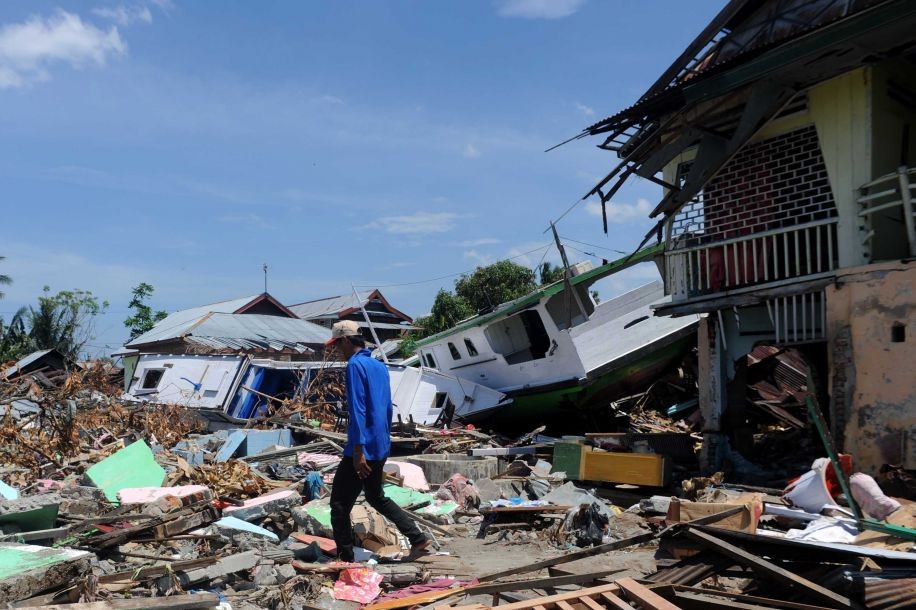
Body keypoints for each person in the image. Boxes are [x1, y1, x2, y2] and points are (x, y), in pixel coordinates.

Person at [326, 320, 431, 562]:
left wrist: (358, 449)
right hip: (380, 445)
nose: (336, 351)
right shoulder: (378, 365)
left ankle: (345, 559)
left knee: (339, 505)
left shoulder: (355, 365)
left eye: (336, 345)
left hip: (362, 448)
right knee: (375, 496)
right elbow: (385, 409)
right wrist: (379, 442)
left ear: (344, 340)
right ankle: (417, 537)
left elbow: (358, 409)